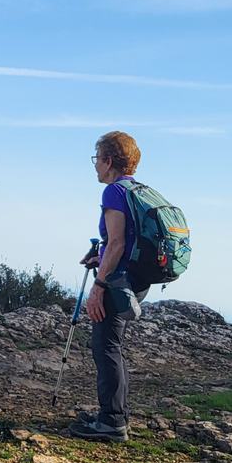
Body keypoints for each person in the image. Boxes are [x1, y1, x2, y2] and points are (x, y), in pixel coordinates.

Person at [68, 131, 149, 443]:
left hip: (119, 280)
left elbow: (117, 243)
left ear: (109, 161)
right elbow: (122, 242)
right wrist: (99, 256)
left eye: (97, 158)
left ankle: (112, 422)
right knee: (112, 345)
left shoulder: (114, 192)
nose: (95, 166)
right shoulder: (138, 190)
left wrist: (99, 284)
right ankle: (114, 414)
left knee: (106, 347)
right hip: (136, 277)